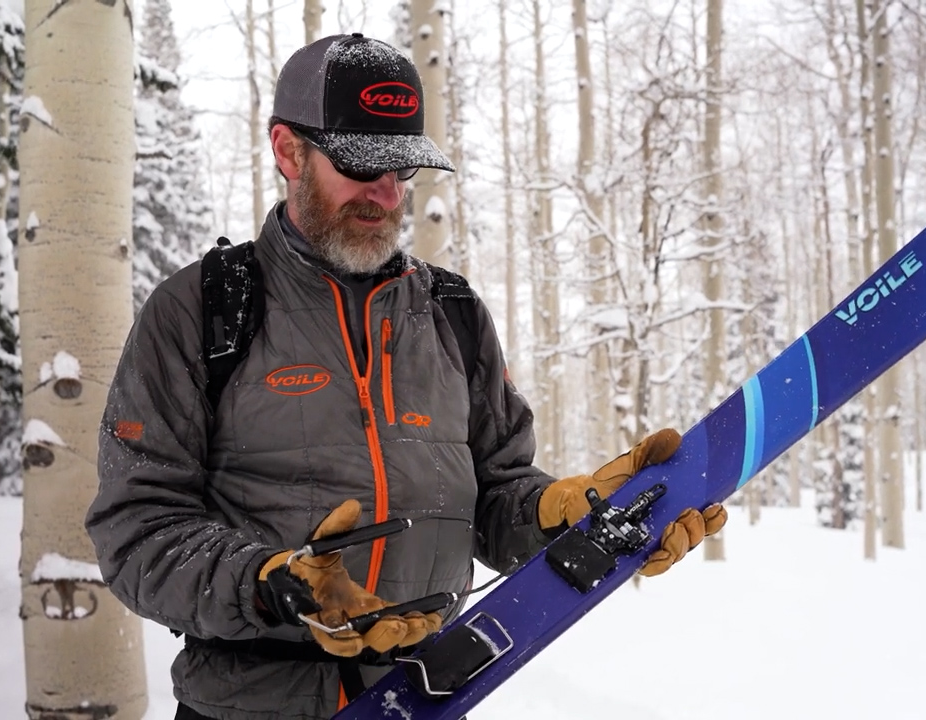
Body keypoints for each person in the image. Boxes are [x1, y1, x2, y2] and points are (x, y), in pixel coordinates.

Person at [87, 33, 726, 720]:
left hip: (425, 699)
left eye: (403, 168)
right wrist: (275, 584)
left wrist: (555, 511)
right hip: (249, 708)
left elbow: (493, 500)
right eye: (363, 164)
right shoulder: (203, 310)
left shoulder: (452, 313)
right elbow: (137, 529)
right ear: (287, 150)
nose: (388, 193)